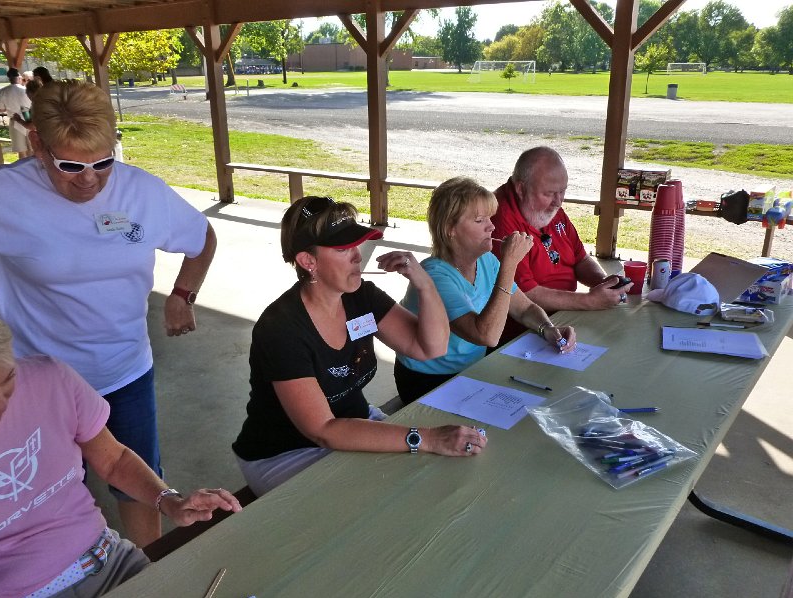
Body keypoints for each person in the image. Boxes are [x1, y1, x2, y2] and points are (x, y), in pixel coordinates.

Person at [0, 80, 217, 547]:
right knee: (46, 497)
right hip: (39, 385)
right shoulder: (4, 198)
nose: (89, 178)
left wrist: (183, 294)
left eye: (102, 161)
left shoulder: (144, 193)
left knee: (139, 486)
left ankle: (147, 576)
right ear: (36, 144)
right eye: (70, 164)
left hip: (125, 371)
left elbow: (201, 238)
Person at [232, 196, 487, 497]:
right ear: (308, 261)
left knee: (437, 480)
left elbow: (430, 347)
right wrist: (427, 438)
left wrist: (425, 284)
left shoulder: (360, 297)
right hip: (286, 451)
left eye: (356, 244)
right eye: (342, 249)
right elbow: (323, 430)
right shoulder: (281, 329)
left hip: (355, 422)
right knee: (376, 499)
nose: (357, 256)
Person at [0, 316, 242, 598]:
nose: (0, 403)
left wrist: (171, 502)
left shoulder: (49, 378)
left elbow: (114, 460)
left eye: (8, 380)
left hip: (110, 562)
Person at [394, 177, 577, 405]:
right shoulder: (435, 276)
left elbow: (524, 308)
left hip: (472, 369)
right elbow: (486, 336)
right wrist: (509, 264)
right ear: (450, 229)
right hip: (429, 380)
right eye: (480, 220)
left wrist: (548, 329)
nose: (492, 226)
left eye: (490, 218)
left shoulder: (486, 260)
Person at [491, 147, 633, 339]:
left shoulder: (546, 209)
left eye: (562, 191)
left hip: (565, 315)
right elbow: (525, 295)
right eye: (549, 194)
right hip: (526, 331)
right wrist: (590, 301)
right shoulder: (500, 219)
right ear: (521, 189)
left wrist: (604, 283)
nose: (558, 202)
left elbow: (580, 259)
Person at [0, 67, 31, 159]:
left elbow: (0, 110)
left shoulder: (3, 91)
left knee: (21, 151)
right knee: (33, 149)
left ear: (9, 78)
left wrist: (10, 107)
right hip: (29, 120)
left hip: (15, 121)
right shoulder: (26, 90)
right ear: (19, 77)